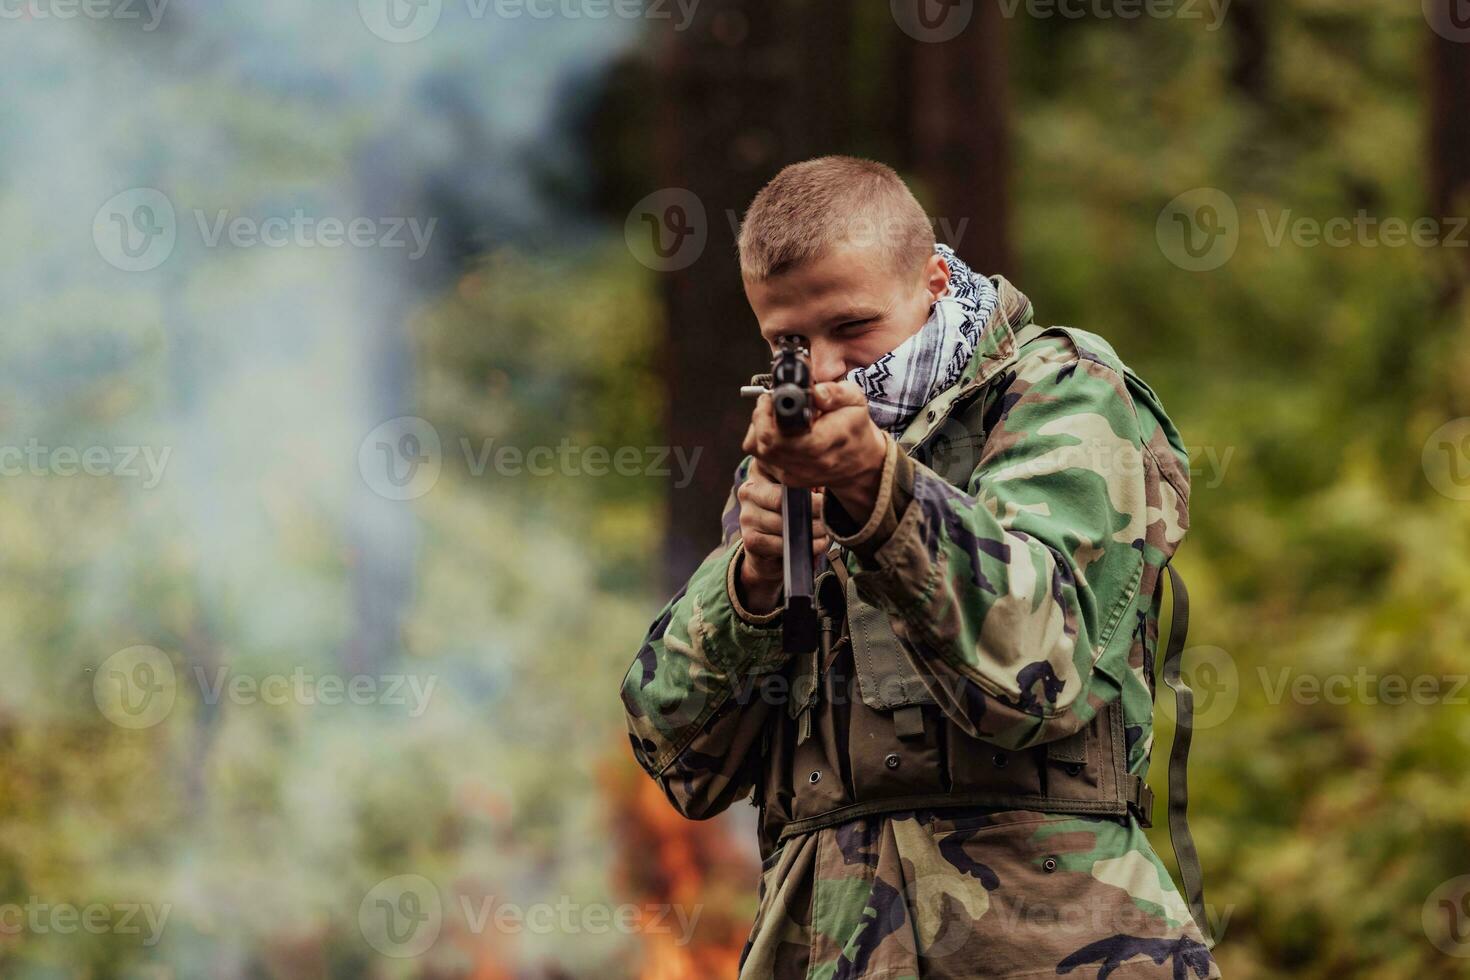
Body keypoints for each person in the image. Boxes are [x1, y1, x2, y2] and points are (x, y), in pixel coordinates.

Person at [620, 155, 1220, 978]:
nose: (824, 369)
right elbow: (680, 762)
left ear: (936, 278)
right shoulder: (785, 460)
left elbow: (1042, 668)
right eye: (788, 343)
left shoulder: (1058, 392)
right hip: (825, 938)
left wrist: (878, 490)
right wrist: (751, 582)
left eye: (853, 327)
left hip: (1052, 939)